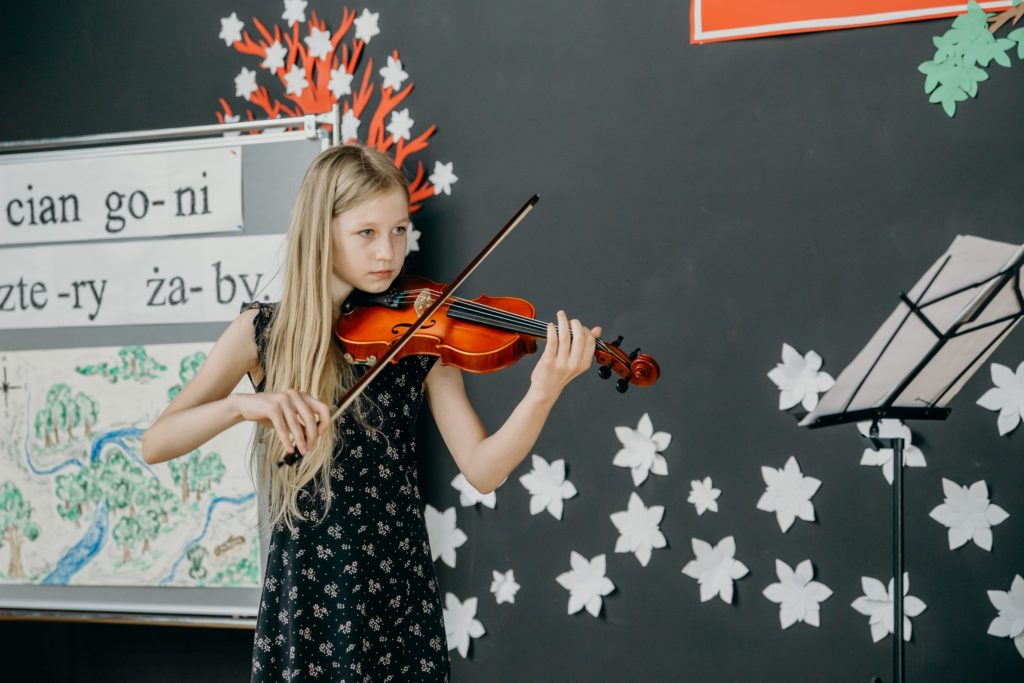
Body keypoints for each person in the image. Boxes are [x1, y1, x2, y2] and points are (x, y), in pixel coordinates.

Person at [141, 143, 600, 681]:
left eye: (399, 230)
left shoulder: (421, 335)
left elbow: (483, 469)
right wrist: (244, 405)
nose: (388, 251)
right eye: (367, 232)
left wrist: (542, 392)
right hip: (309, 593)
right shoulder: (263, 333)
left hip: (397, 590)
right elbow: (156, 442)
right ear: (322, 232)